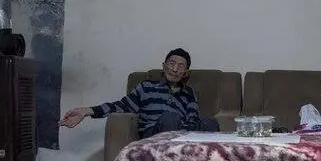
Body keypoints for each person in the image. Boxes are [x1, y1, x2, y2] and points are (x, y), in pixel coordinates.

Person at [59, 48, 212, 136]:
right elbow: (121, 106)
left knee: (210, 123)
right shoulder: (146, 87)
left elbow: (193, 119)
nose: (174, 69)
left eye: (180, 66)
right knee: (170, 117)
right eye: (172, 63)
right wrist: (86, 111)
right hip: (153, 134)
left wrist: (185, 133)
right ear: (164, 66)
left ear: (185, 73)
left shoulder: (188, 93)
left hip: (180, 134)